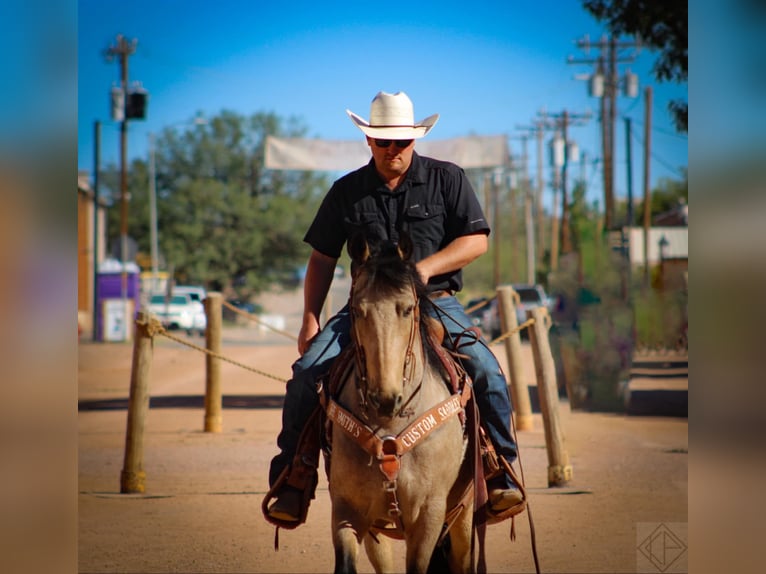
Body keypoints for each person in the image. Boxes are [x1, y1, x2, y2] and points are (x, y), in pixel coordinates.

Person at [266, 91, 524, 523]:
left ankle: (500, 470)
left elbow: (476, 239)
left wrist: (425, 270)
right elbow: (321, 259)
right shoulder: (346, 191)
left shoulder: (448, 179)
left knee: (486, 370)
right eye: (383, 142)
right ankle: (295, 475)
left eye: (401, 142)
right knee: (307, 373)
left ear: (414, 140)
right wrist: (310, 319)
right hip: (365, 309)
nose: (393, 150)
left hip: (434, 303)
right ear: (368, 141)